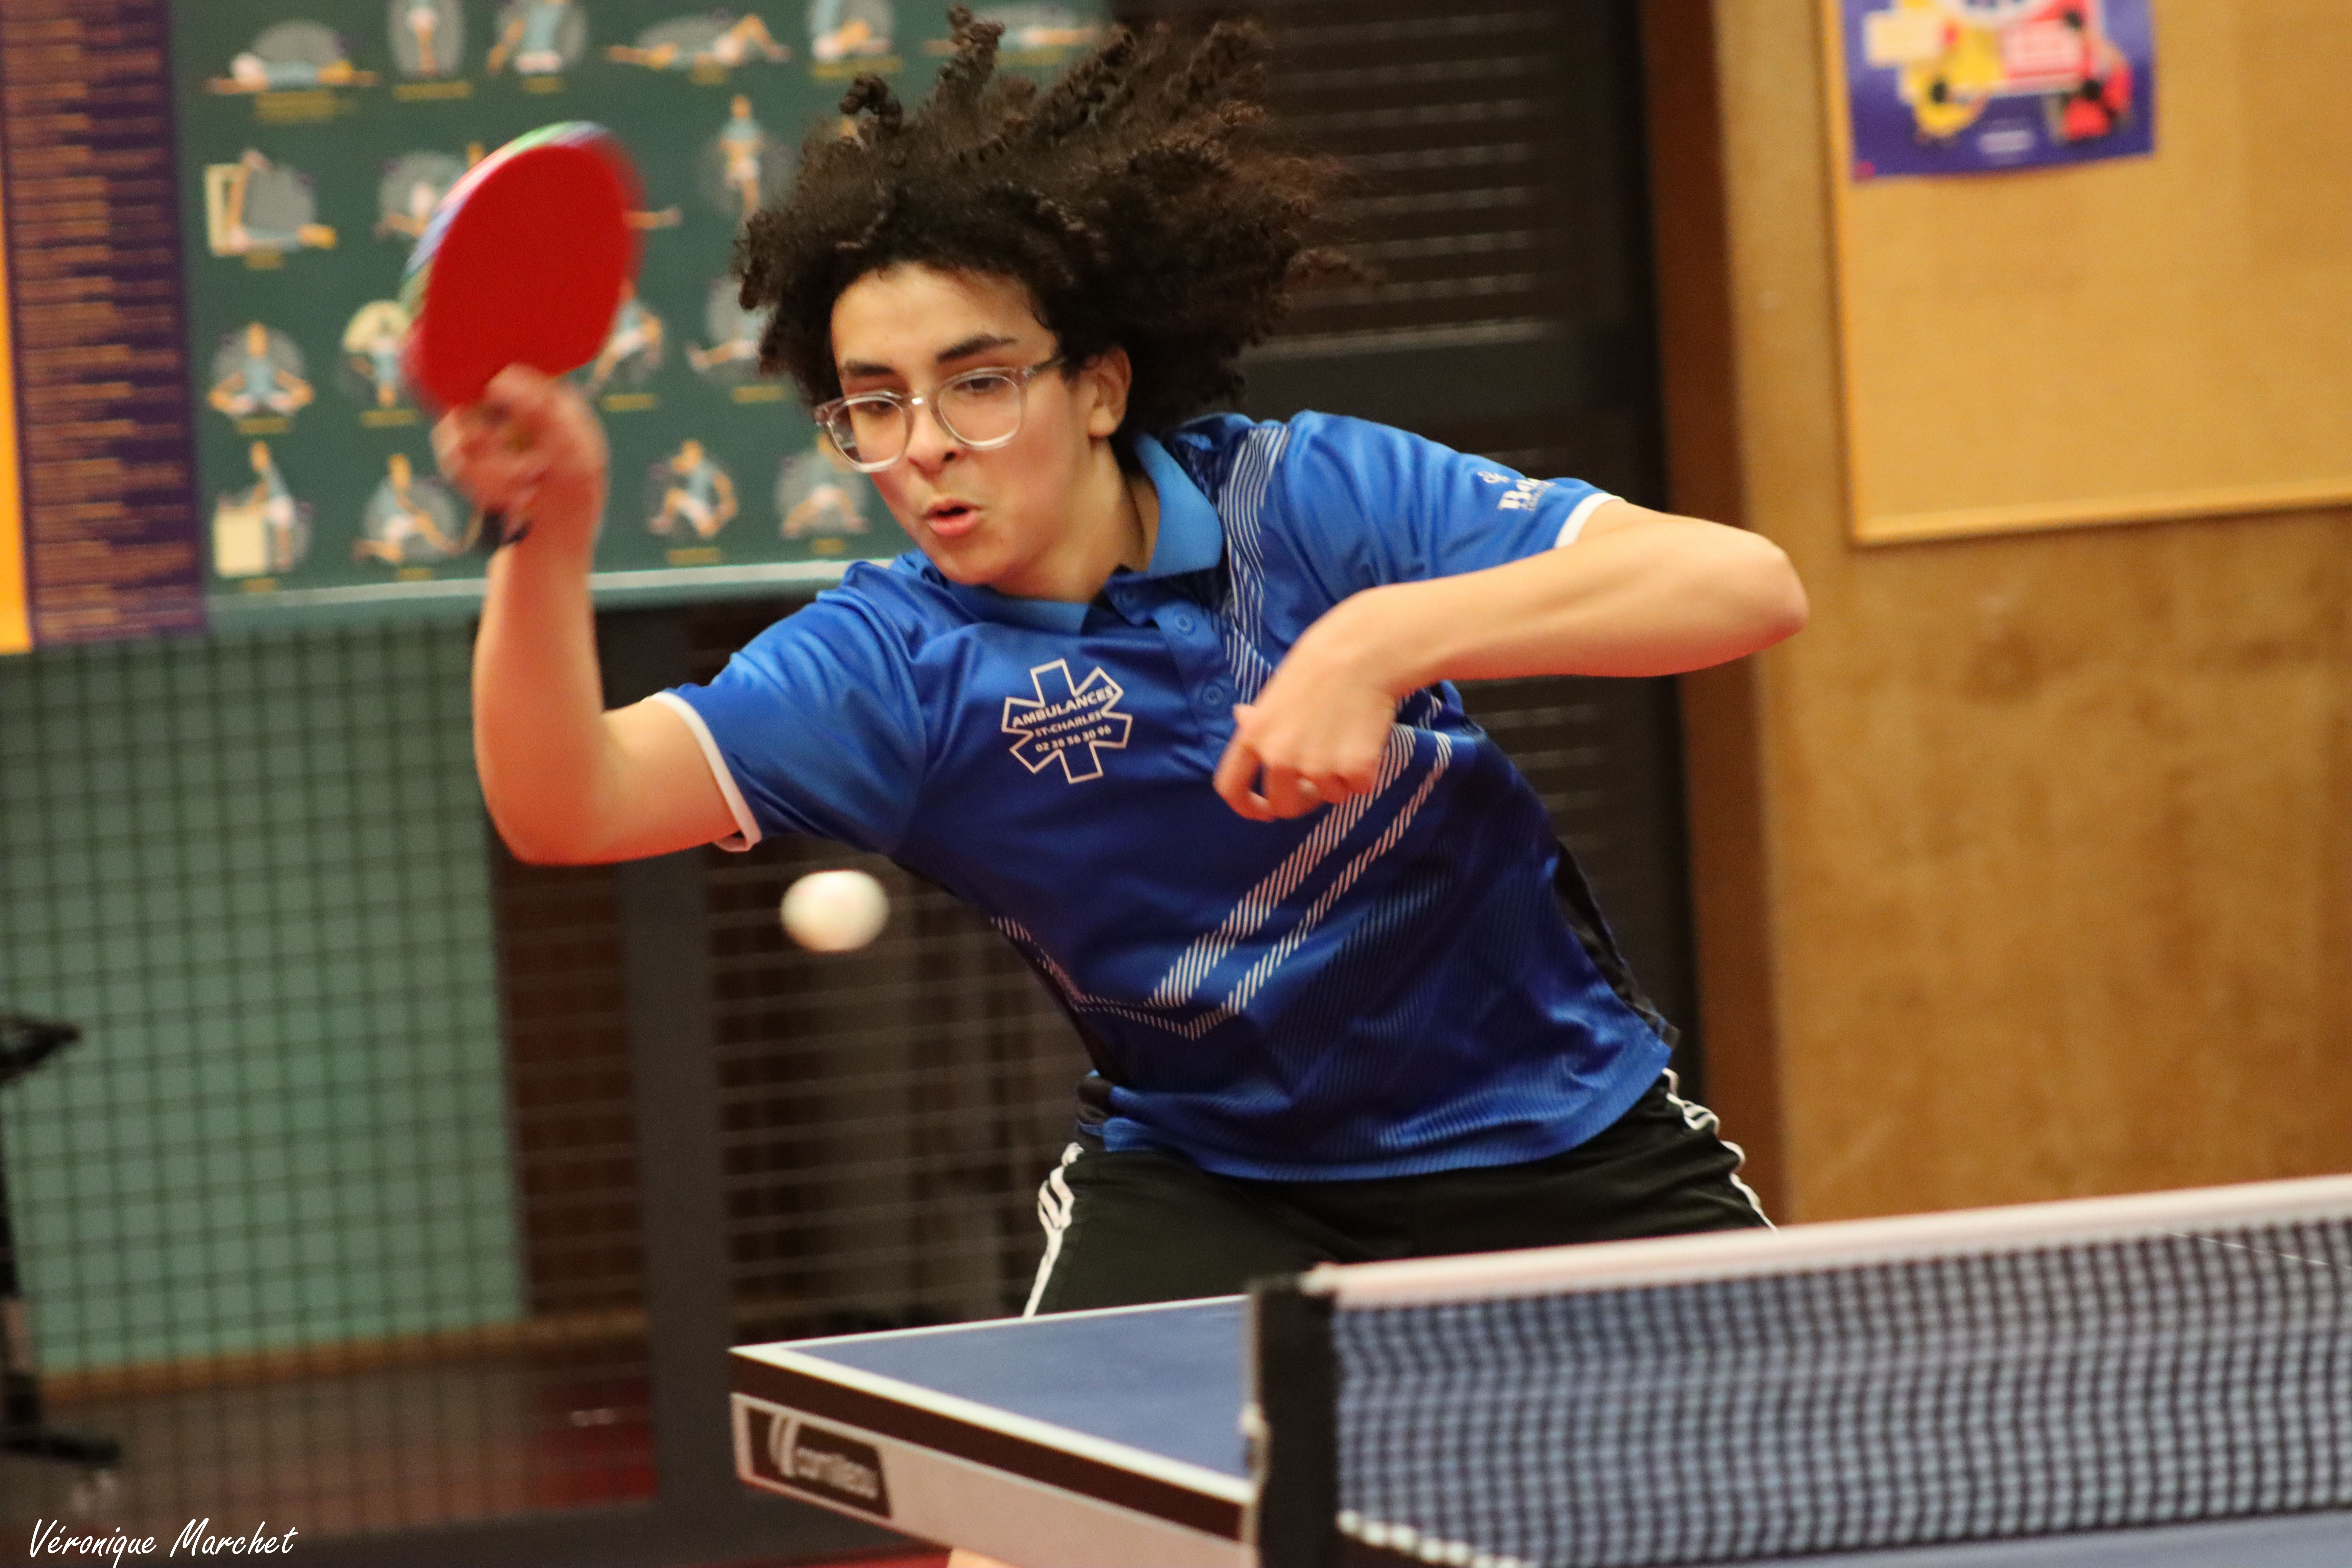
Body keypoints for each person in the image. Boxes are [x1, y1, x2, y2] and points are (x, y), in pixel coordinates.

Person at [437, 10, 1807, 1320]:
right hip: (1219, 1182)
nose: (926, 444)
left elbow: (1745, 586)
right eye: (874, 403)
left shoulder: (1311, 501)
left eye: (979, 383)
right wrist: (544, 540)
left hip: (1564, 1137)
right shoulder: (891, 668)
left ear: (1098, 385)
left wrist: (1381, 638)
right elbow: (571, 804)